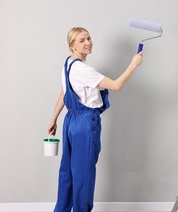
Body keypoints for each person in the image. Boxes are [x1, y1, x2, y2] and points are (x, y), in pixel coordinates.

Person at [47, 27, 143, 212]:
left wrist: (54, 119)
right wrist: (133, 65)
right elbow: (116, 85)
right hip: (85, 122)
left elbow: (64, 93)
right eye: (82, 40)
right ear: (72, 46)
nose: (88, 43)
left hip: (70, 122)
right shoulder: (83, 70)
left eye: (89, 38)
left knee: (67, 172)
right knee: (83, 174)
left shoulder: (68, 64)